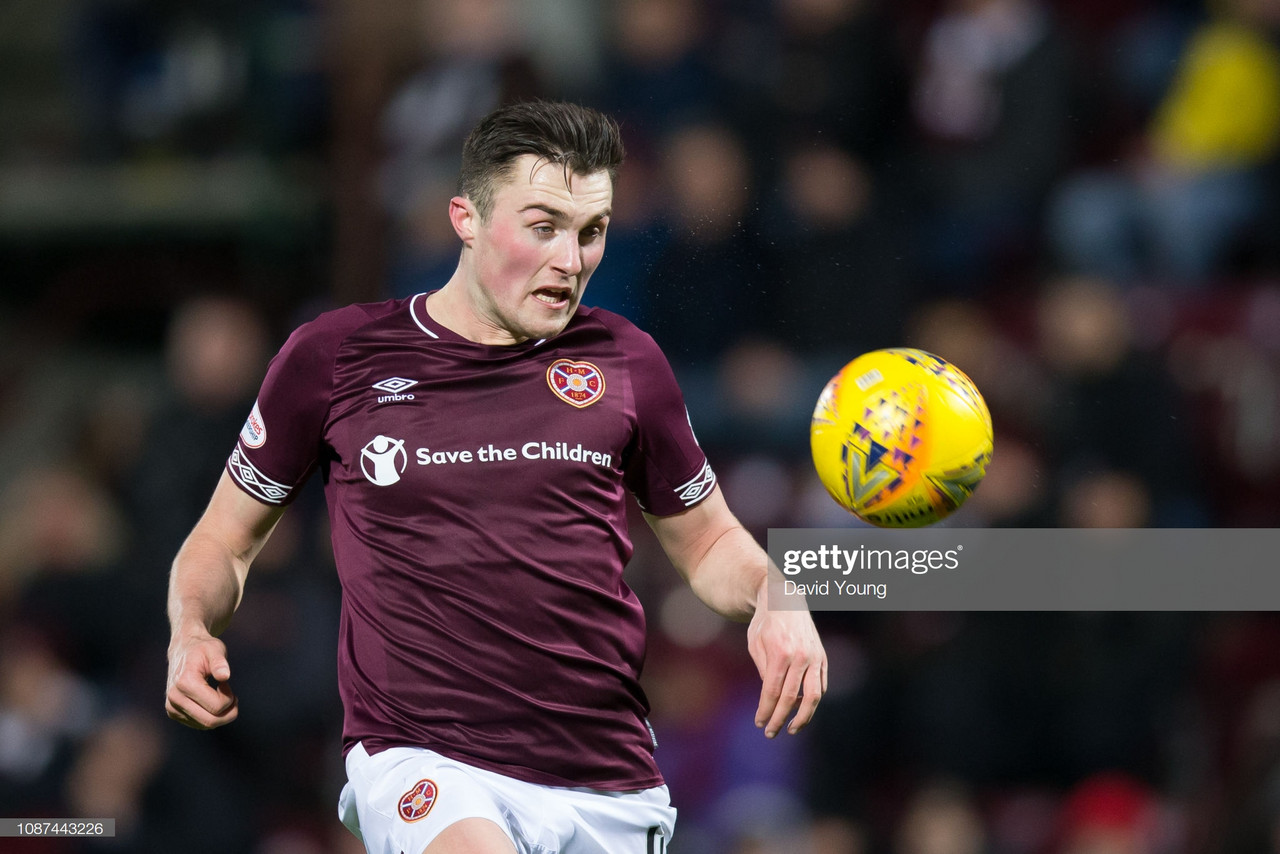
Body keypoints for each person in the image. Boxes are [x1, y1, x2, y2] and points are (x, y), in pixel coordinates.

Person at [164, 100, 827, 854]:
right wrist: (190, 629)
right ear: (465, 219)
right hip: (423, 757)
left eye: (592, 232)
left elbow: (707, 546)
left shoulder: (625, 360)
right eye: (543, 227)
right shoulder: (337, 356)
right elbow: (223, 541)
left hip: (606, 778)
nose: (570, 260)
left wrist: (777, 596)